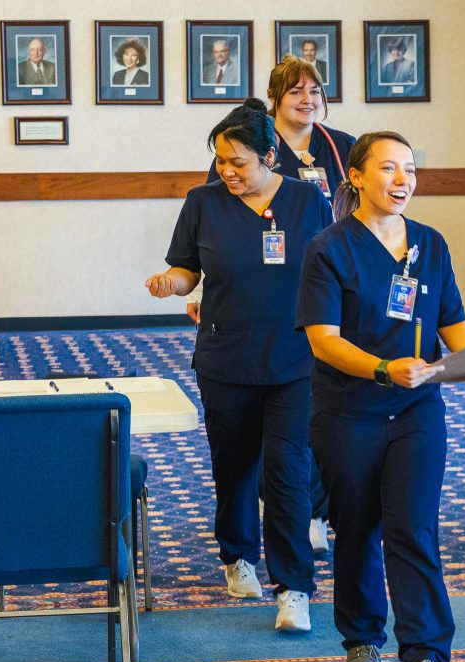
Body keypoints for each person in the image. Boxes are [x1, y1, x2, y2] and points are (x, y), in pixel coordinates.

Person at [298, 131, 465, 662]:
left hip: (417, 411)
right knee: (359, 527)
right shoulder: (329, 248)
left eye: (410, 170)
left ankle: (425, 656)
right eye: (388, 169)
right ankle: (362, 641)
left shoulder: (430, 245)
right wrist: (384, 369)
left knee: (413, 528)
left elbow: (452, 320)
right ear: (358, 178)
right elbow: (323, 340)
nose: (402, 180)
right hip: (349, 412)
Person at [145, 98, 333, 633]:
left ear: (269, 155)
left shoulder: (307, 201)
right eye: (221, 161)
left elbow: (330, 268)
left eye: (238, 162)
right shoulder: (202, 203)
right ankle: (237, 556)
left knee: (289, 472)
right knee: (234, 466)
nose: (227, 171)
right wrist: (171, 284)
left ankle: (294, 588)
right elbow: (185, 270)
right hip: (226, 357)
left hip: (295, 358)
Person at [204, 54, 355, 553]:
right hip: (258, 307)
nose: (307, 100)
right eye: (295, 92)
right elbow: (217, 229)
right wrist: (206, 290)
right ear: (275, 99)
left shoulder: (343, 148)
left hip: (328, 291)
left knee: (317, 409)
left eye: (314, 91)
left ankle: (310, 506)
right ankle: (283, 505)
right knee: (267, 422)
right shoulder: (247, 147)